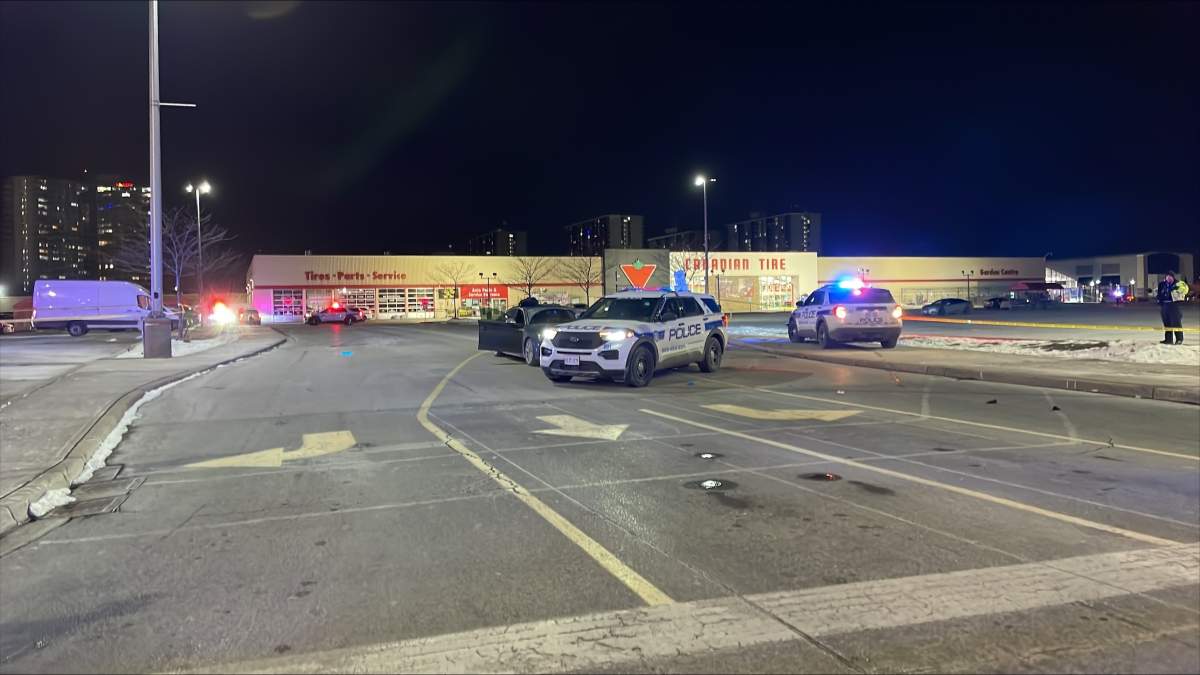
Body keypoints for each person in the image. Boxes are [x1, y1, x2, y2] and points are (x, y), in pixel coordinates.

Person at [1156, 271, 1189, 345]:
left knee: (1176, 323)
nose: (1168, 277)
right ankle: (1168, 339)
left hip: (1174, 306)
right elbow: (1159, 293)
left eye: (1170, 276)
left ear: (1173, 277)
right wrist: (1159, 301)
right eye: (1167, 276)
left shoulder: (1178, 284)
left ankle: (1179, 339)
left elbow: (1184, 291)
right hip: (1164, 305)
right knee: (1167, 323)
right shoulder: (1162, 284)